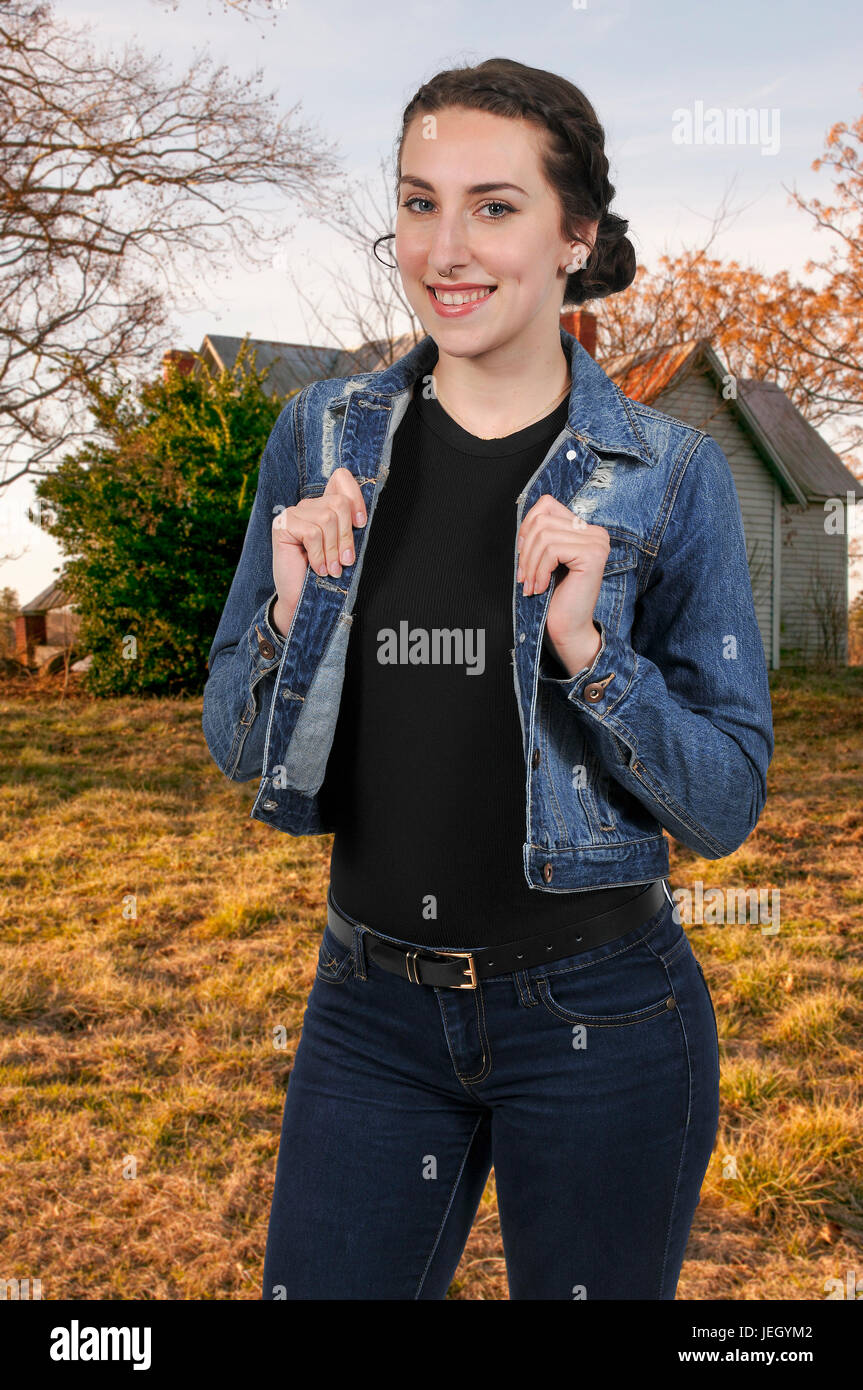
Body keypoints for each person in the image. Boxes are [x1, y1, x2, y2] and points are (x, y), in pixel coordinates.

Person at [202, 57, 774, 1300]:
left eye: (494, 207)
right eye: (418, 203)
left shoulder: (668, 476)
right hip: (366, 1008)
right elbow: (237, 744)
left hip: (602, 1023)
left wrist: (591, 657)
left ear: (575, 236)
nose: (444, 248)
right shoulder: (315, 438)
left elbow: (726, 800)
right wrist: (294, 626)